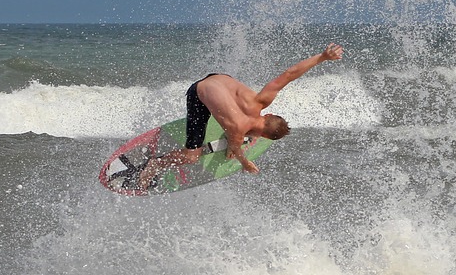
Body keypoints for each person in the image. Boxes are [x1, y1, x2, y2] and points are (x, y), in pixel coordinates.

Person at [136, 43, 344, 189]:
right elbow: (234, 149)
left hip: (218, 77)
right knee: (192, 156)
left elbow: (289, 74)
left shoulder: (261, 101)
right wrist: (245, 163)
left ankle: (220, 110)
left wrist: (322, 57)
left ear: (268, 114)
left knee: (229, 117)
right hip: (197, 95)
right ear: (264, 135)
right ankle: (155, 164)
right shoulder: (237, 130)